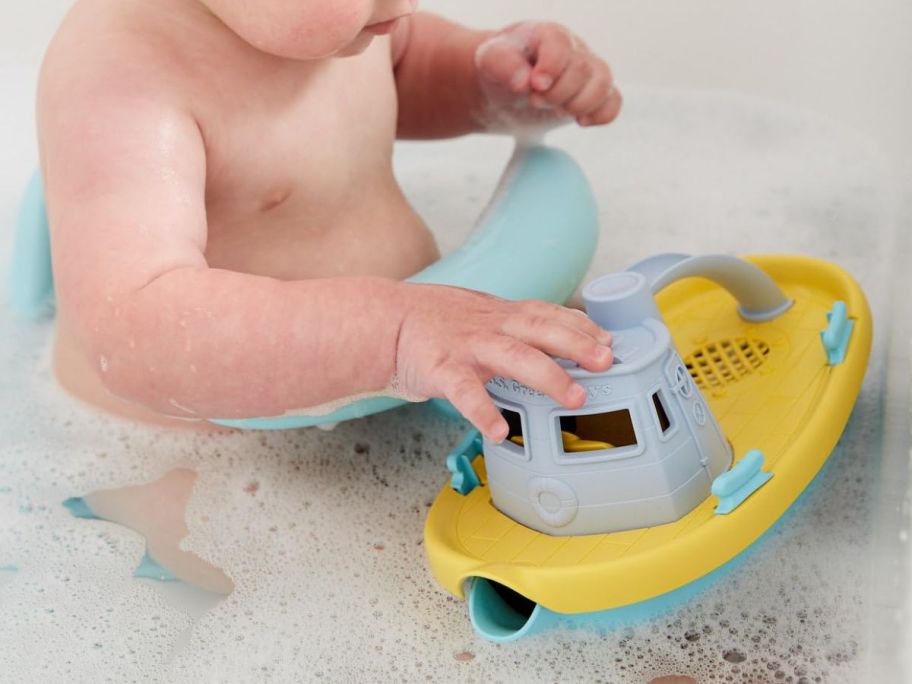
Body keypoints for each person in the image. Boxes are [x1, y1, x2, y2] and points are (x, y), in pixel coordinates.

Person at [38, 0, 622, 443]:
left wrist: (488, 83)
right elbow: (134, 332)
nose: (405, 5)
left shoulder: (343, 24)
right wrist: (395, 336)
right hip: (213, 456)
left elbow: (404, 62)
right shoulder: (123, 79)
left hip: (397, 393)